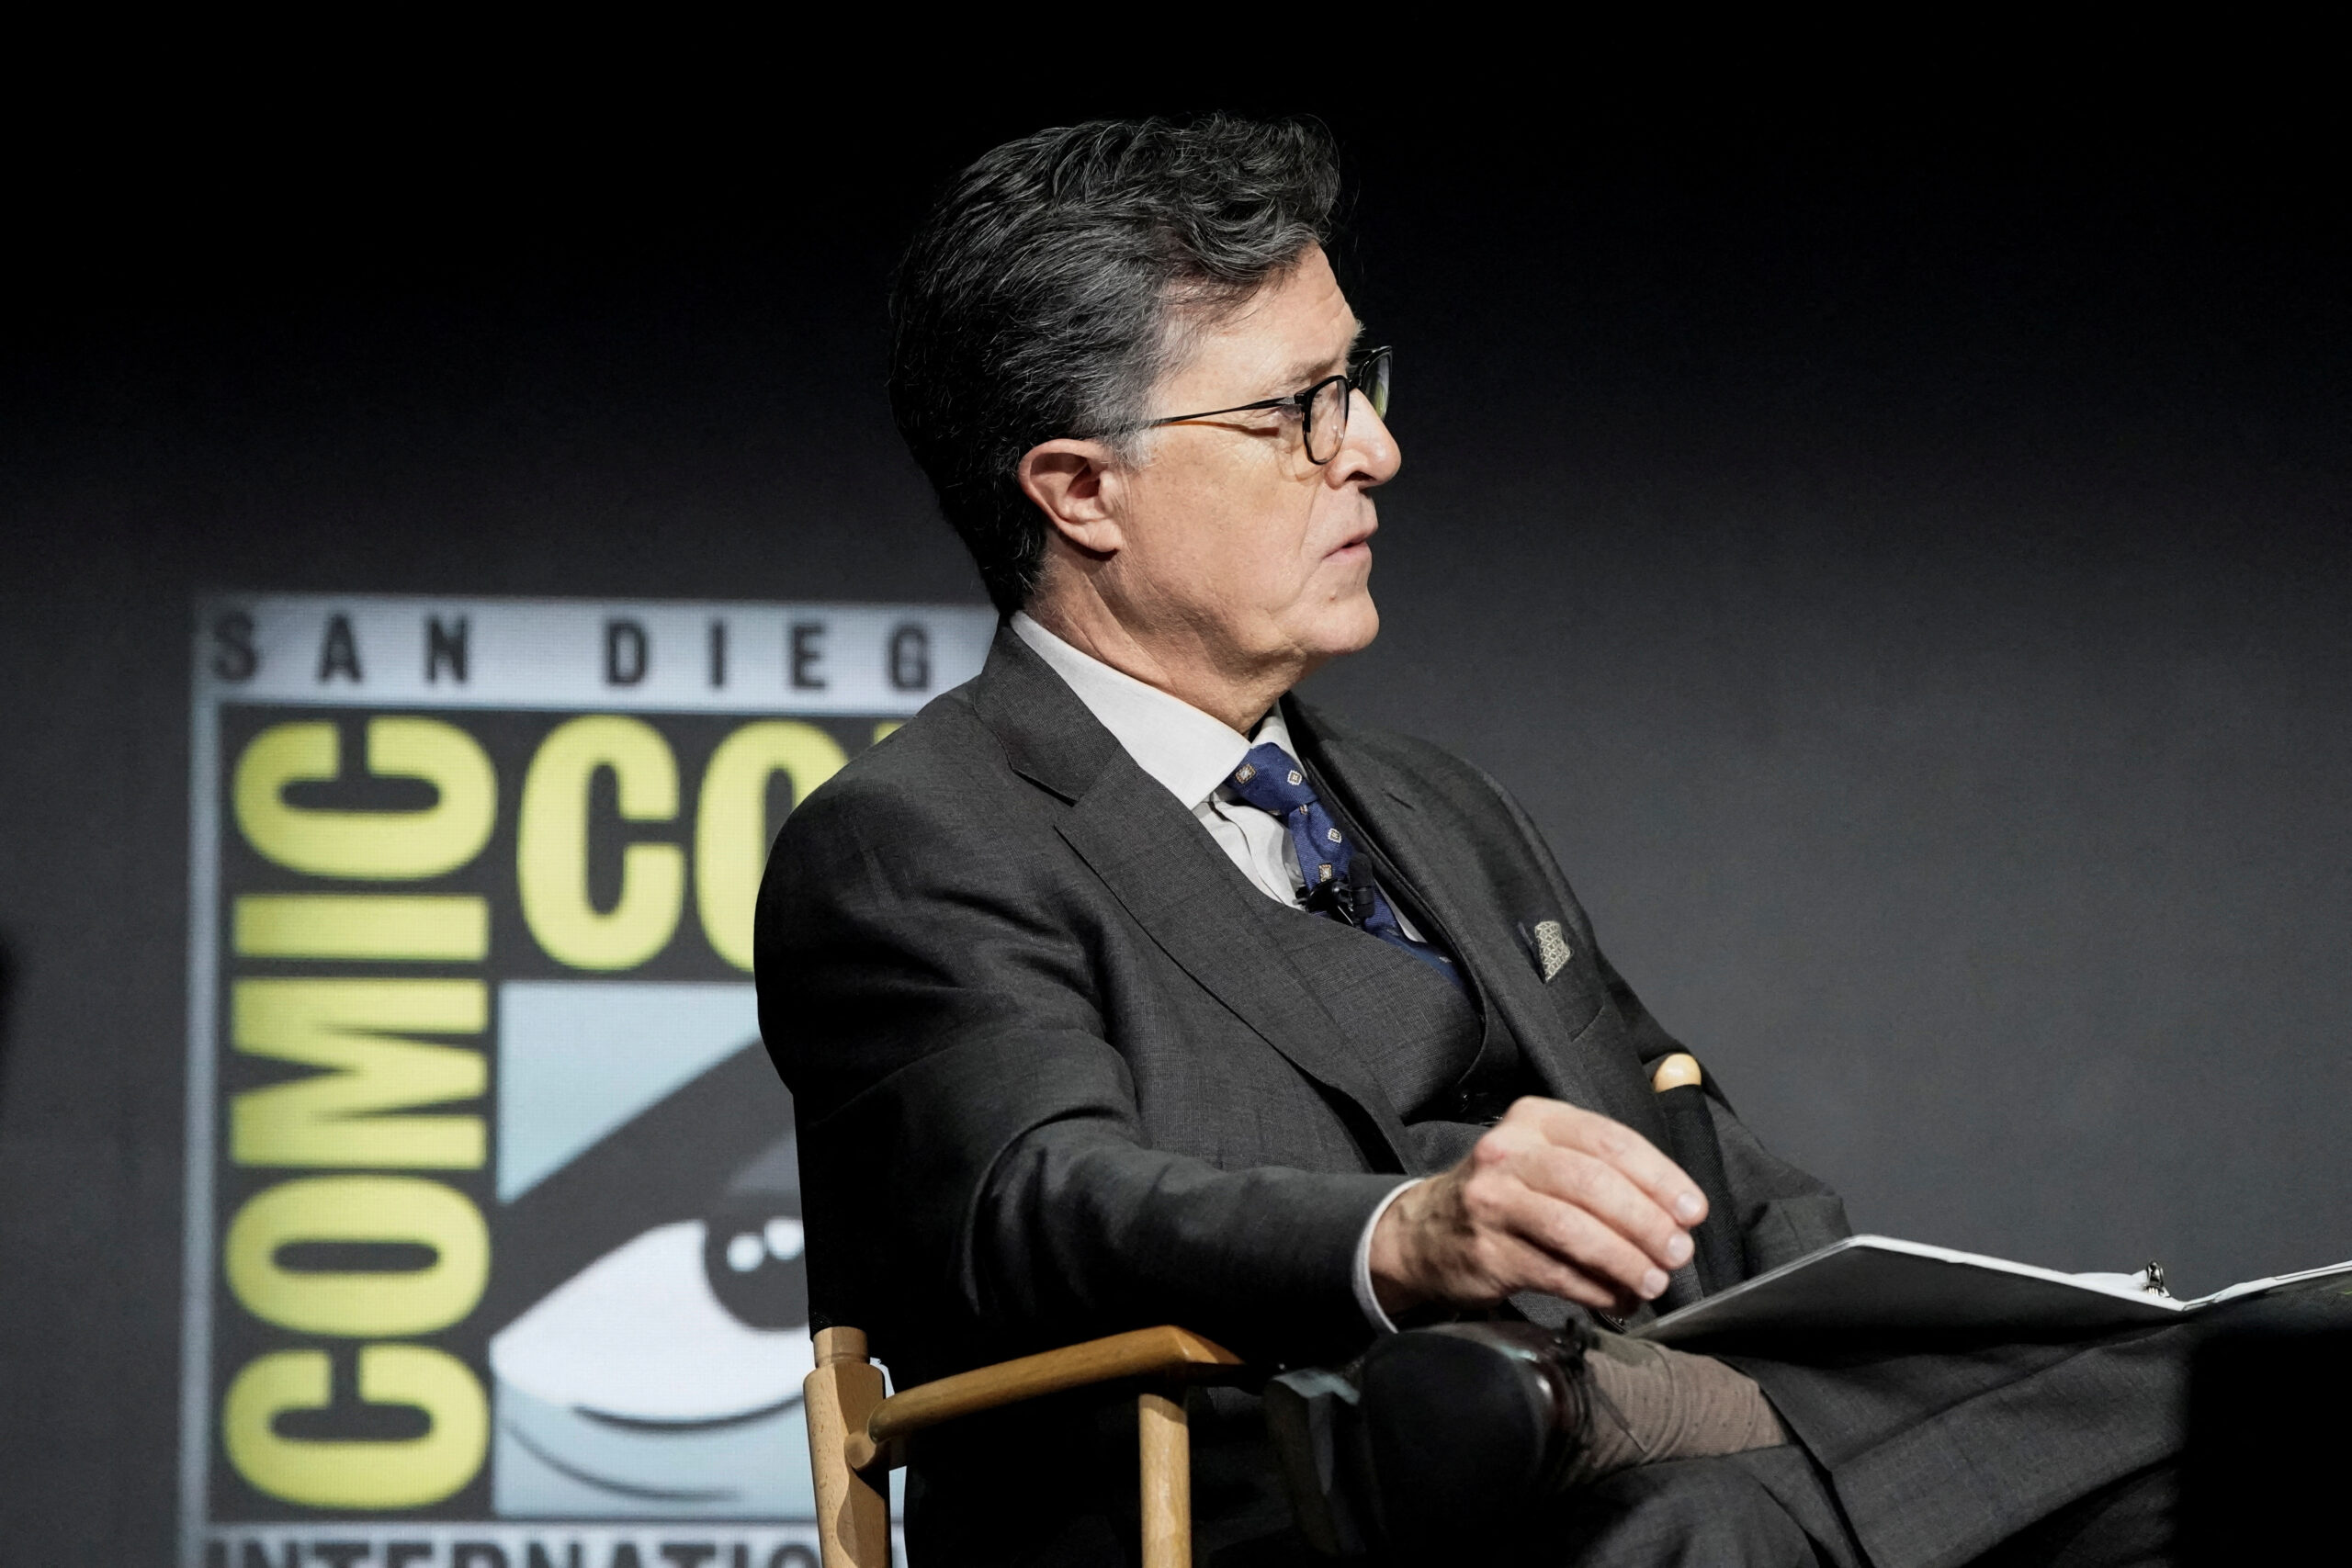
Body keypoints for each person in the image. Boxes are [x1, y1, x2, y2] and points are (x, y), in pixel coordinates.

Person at [756, 116, 2232, 1566]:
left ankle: (1714, 1409)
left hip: (1634, 1468)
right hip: (1252, 1497)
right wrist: (1400, 1237)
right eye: (1298, 411)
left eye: (1361, 383)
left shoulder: (1435, 805)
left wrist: (1996, 1330)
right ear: (1082, 490)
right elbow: (1039, 1204)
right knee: (1735, 1515)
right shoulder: (917, 837)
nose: (1377, 451)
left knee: (2196, 1421)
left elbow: (1701, 1164)